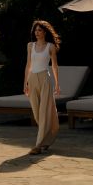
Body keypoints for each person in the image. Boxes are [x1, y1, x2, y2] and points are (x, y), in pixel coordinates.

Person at [23, 20, 61, 154]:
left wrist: (57, 84)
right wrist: (25, 83)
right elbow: (28, 65)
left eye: (39, 30)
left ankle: (38, 145)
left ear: (45, 32)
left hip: (45, 78)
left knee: (44, 111)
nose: (37, 32)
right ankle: (47, 138)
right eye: (36, 30)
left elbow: (54, 66)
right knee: (37, 112)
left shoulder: (50, 47)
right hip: (33, 79)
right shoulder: (30, 46)